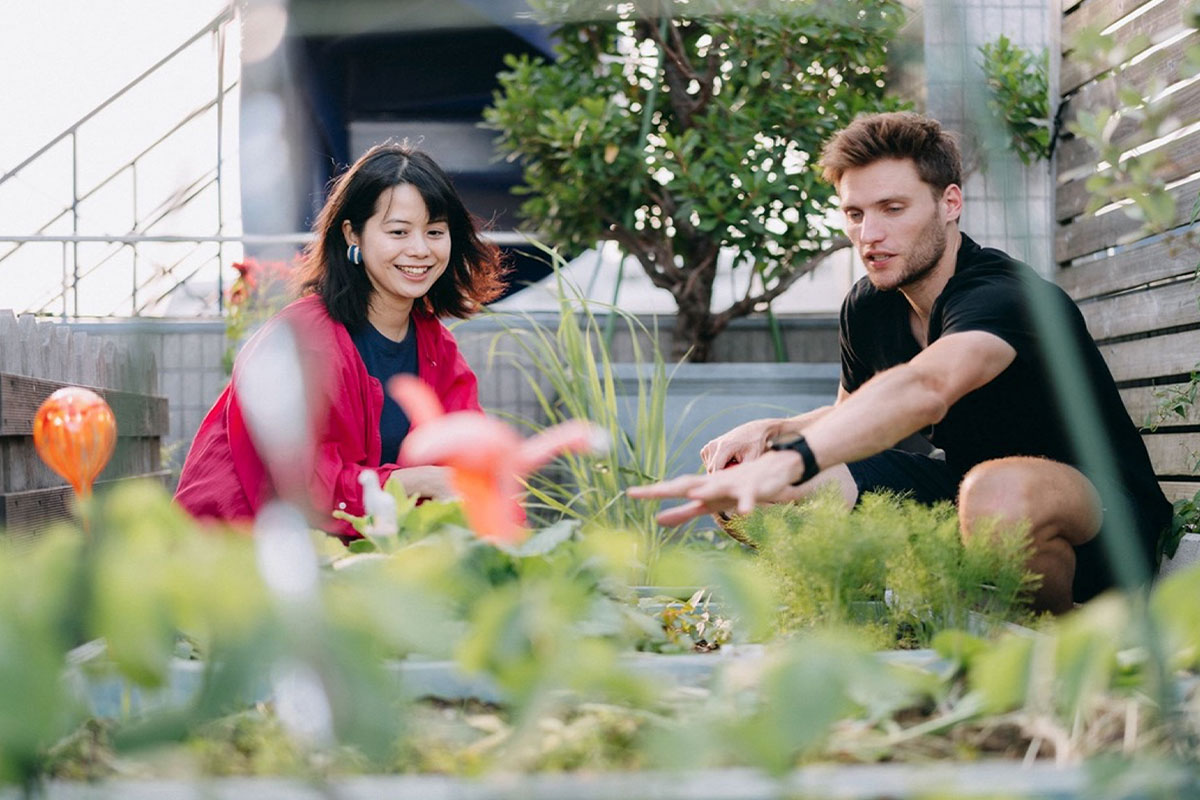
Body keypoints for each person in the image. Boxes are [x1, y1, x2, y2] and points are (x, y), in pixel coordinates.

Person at [629, 112, 1170, 614]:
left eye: (893, 209)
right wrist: (776, 432)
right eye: (855, 214)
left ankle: (1055, 649)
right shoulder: (869, 304)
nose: (869, 235)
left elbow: (927, 386)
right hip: (963, 499)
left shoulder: (1005, 296)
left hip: (1097, 519)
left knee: (997, 491)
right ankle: (858, 620)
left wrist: (793, 460)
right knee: (751, 479)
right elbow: (853, 416)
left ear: (949, 203)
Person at [175, 143, 507, 539]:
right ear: (353, 234)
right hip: (237, 553)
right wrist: (416, 481)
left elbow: (470, 461)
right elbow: (308, 490)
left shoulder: (437, 346)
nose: (420, 249)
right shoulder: (304, 340)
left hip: (348, 555)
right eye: (398, 231)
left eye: (435, 232)